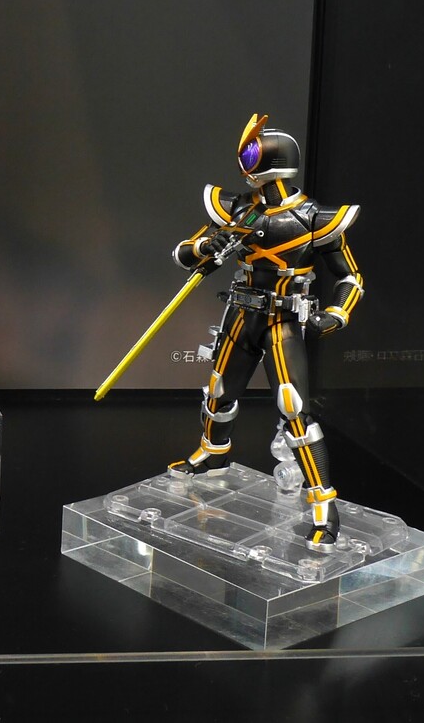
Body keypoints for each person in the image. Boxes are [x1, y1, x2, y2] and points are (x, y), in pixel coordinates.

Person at [168, 114, 363, 551]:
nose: (245, 164)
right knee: (218, 390)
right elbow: (183, 254)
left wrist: (337, 314)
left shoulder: (315, 219)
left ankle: (323, 504)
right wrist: (206, 246)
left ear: (271, 162)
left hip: (283, 320)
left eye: (252, 155)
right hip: (241, 313)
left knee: (293, 409)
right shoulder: (237, 208)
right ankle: (213, 452)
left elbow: (350, 277)